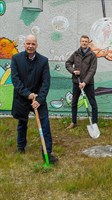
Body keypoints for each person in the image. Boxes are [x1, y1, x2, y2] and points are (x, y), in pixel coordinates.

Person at [11, 34, 58, 164]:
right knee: (22, 123)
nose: (30, 46)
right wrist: (27, 94)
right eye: (28, 43)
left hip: (38, 99)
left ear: (36, 45)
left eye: (33, 44)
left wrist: (39, 99)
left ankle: (47, 153)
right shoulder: (16, 59)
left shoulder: (43, 61)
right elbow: (15, 80)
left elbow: (46, 82)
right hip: (22, 98)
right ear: (24, 44)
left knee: (45, 126)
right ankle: (21, 147)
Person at [66, 35, 98, 129]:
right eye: (83, 41)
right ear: (80, 42)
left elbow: (92, 70)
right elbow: (68, 63)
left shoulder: (92, 55)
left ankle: (95, 123)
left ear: (88, 43)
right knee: (74, 102)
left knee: (93, 103)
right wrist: (73, 71)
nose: (84, 43)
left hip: (88, 83)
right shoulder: (76, 53)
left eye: (86, 41)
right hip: (77, 82)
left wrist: (85, 82)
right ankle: (73, 122)